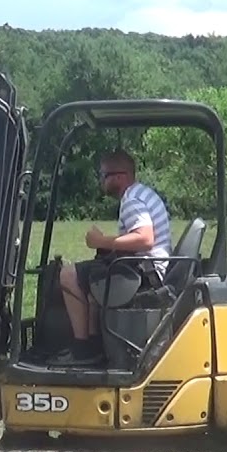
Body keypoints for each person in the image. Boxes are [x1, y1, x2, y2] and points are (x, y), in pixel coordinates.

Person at [50, 148, 172, 366]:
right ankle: (97, 347)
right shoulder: (141, 194)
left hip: (147, 274)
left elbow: (145, 239)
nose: (101, 181)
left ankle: (82, 351)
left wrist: (101, 241)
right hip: (146, 267)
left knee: (68, 276)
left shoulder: (132, 200)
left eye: (103, 176)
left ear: (119, 177)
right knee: (93, 278)